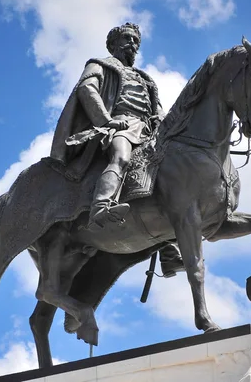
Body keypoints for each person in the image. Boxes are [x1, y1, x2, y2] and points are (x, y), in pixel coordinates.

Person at [49, 22, 184, 277]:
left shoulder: (146, 79)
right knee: (121, 156)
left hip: (148, 132)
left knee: (175, 178)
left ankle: (169, 250)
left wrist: (165, 123)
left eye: (135, 40)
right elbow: (87, 89)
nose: (132, 44)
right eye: (126, 38)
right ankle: (101, 207)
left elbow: (157, 109)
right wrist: (106, 120)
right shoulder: (99, 65)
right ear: (113, 44)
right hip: (118, 125)